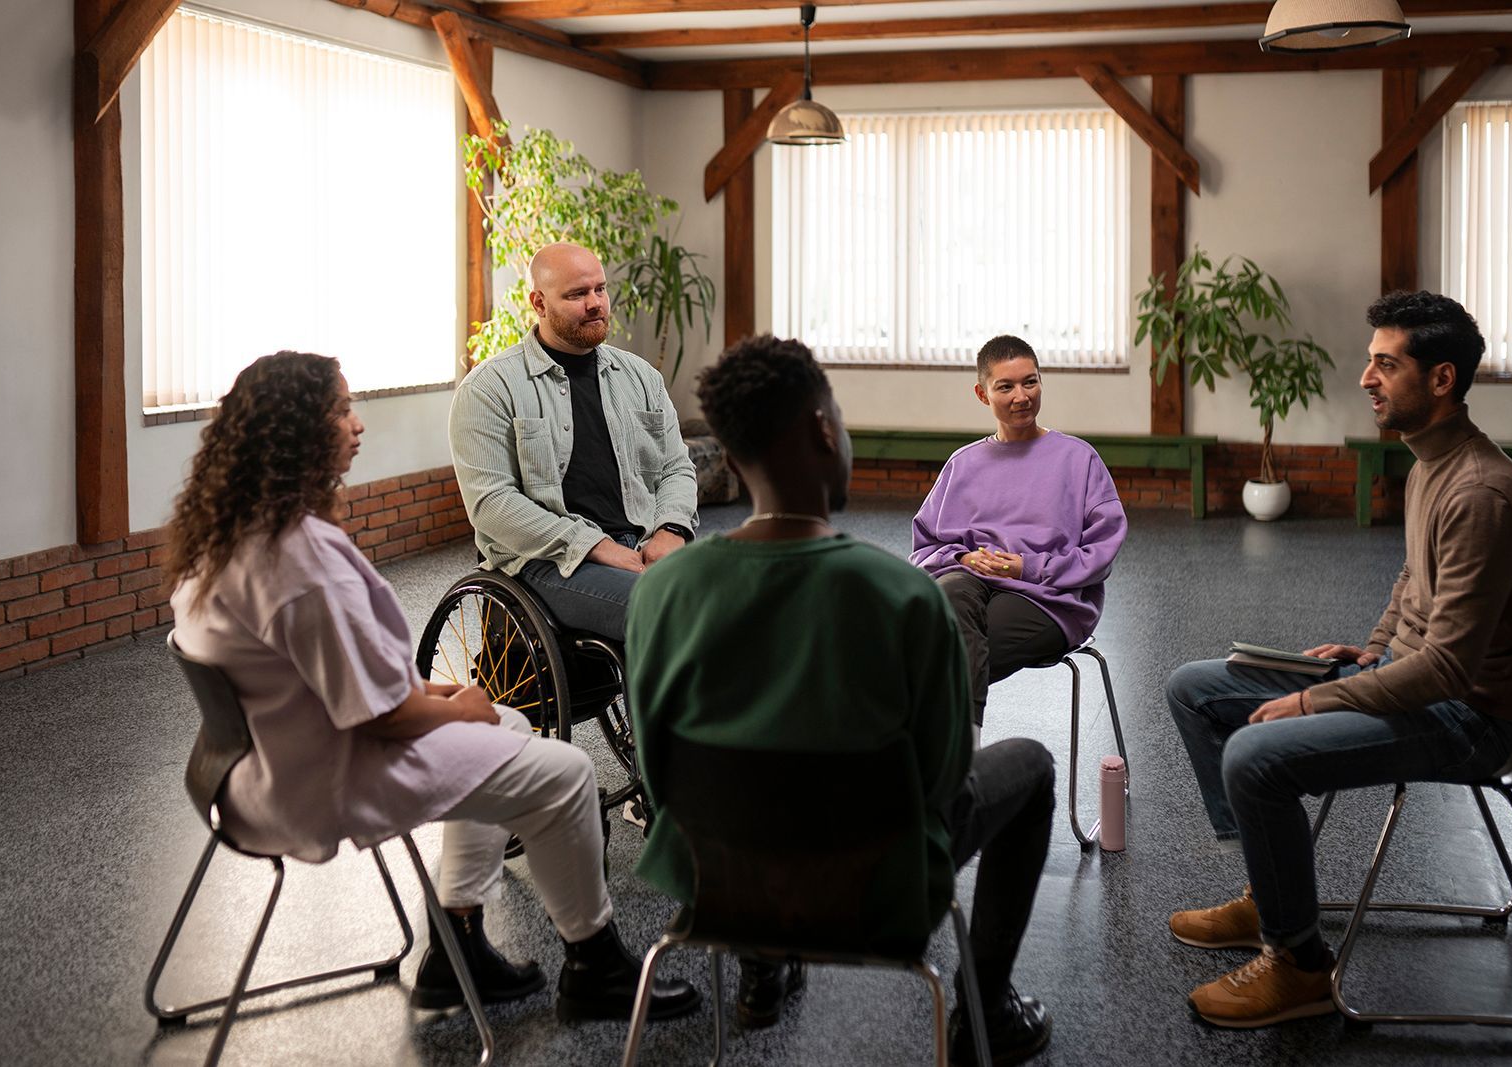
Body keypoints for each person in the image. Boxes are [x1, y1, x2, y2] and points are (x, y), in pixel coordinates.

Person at [166, 351, 697, 1024]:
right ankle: (596, 965)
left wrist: (454, 702)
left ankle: (457, 945)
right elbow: (383, 715)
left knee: (501, 722)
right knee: (562, 771)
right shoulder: (299, 563)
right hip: (309, 783)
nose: (357, 425)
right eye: (341, 410)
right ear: (297, 432)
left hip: (248, 765)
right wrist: (456, 703)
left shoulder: (227, 537)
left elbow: (346, 683)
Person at [626, 335, 1056, 1064]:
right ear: (827, 431)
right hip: (878, 897)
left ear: (731, 460)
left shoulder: (659, 593)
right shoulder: (903, 596)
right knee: (1035, 766)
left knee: (755, 778)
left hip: (716, 887)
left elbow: (658, 770)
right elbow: (944, 778)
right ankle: (988, 1012)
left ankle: (762, 963)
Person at [1166, 291, 1512, 1029]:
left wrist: (1312, 700)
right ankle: (1268, 891)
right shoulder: (1430, 459)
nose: (1366, 377)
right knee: (1195, 688)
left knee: (1253, 755)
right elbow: (1411, 582)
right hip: (1406, 675)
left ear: (1441, 380)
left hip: (1465, 718)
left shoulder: (1484, 492)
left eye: (1385, 364)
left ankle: (1299, 962)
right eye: (1371, 362)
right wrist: (1368, 652)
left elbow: (1447, 671)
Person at [449, 242, 698, 642]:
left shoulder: (640, 377)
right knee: (665, 610)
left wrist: (670, 529)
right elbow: (491, 505)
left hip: (644, 542)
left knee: (739, 594)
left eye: (600, 289)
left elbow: (676, 467)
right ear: (539, 303)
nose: (595, 303)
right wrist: (593, 544)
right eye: (577, 294)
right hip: (549, 560)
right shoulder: (489, 388)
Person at [911, 335, 1128, 728]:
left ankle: (954, 761)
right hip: (973, 583)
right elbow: (926, 547)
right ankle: (962, 759)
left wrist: (1026, 568)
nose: (1021, 396)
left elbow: (1101, 552)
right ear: (982, 394)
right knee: (953, 593)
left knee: (943, 653)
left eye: (1030, 382)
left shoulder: (1078, 459)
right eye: (1005, 386)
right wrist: (963, 557)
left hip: (1049, 598)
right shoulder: (964, 463)